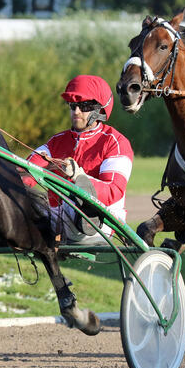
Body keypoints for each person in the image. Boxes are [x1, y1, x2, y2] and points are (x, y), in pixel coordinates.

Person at [22, 75, 133, 244]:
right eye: (73, 106)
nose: (76, 111)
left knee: (62, 206)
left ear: (99, 110)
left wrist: (79, 178)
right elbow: (25, 172)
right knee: (15, 201)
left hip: (98, 222)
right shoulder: (56, 142)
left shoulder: (115, 142)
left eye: (84, 106)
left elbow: (113, 191)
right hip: (59, 219)